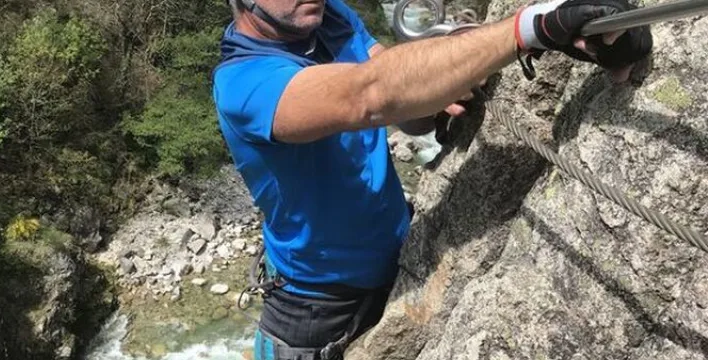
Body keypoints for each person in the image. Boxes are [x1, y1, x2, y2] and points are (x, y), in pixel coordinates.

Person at [210, 0, 652, 358]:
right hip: (315, 309)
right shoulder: (244, 84)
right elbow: (370, 94)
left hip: (399, 254)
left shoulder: (329, 18)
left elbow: (406, 103)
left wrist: (461, 71)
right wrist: (532, 26)